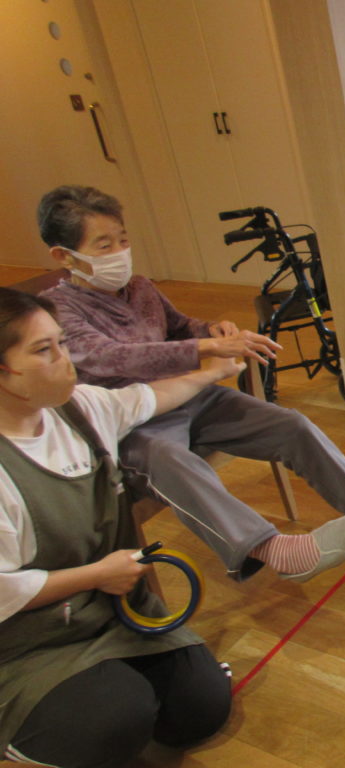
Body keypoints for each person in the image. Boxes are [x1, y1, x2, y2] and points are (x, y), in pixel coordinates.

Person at [37, 185, 345, 584]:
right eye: (104, 245)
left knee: (291, 425)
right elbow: (111, 357)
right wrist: (208, 347)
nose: (119, 252)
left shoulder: (140, 287)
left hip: (190, 395)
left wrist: (212, 330)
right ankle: (273, 550)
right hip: (135, 421)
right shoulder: (56, 309)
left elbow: (179, 327)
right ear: (64, 256)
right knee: (169, 460)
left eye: (123, 240)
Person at [0, 287, 235, 767]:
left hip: (114, 611)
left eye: (62, 343)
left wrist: (213, 371)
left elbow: (148, 398)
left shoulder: (79, 408)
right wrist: (96, 575)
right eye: (44, 350)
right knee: (119, 716)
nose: (66, 360)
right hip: (26, 643)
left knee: (201, 709)